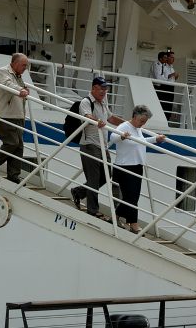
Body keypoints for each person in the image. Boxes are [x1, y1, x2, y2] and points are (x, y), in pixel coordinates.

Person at [71, 76, 124, 219]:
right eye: (101, 88)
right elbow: (87, 116)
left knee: (107, 176)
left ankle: (79, 192)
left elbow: (111, 118)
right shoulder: (86, 102)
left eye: (105, 89)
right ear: (93, 88)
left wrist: (128, 124)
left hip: (103, 146)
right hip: (89, 145)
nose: (104, 91)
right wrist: (97, 121)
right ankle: (92, 210)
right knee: (94, 179)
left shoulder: (103, 103)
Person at [109, 105, 165, 233]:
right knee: (131, 198)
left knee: (133, 197)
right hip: (125, 166)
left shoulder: (137, 128)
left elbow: (140, 141)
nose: (143, 124)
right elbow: (112, 137)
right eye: (142, 121)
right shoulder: (125, 126)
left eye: (145, 122)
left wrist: (156, 139)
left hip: (136, 165)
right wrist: (122, 136)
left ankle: (118, 217)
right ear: (134, 116)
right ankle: (132, 223)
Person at [0, 52, 30, 183]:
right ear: (14, 63)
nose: (25, 68)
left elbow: (18, 87)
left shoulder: (18, 75)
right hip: (5, 114)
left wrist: (24, 88)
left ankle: (13, 175)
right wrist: (21, 90)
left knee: (19, 146)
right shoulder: (3, 72)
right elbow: (8, 85)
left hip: (17, 115)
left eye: (26, 66)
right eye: (23, 65)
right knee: (12, 143)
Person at [152, 50, 178, 123]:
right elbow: (160, 77)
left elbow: (171, 79)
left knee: (169, 105)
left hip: (171, 87)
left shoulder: (171, 67)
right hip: (163, 87)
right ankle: (162, 120)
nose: (173, 59)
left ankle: (167, 120)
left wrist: (175, 76)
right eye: (171, 57)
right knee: (163, 104)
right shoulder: (160, 65)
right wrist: (172, 75)